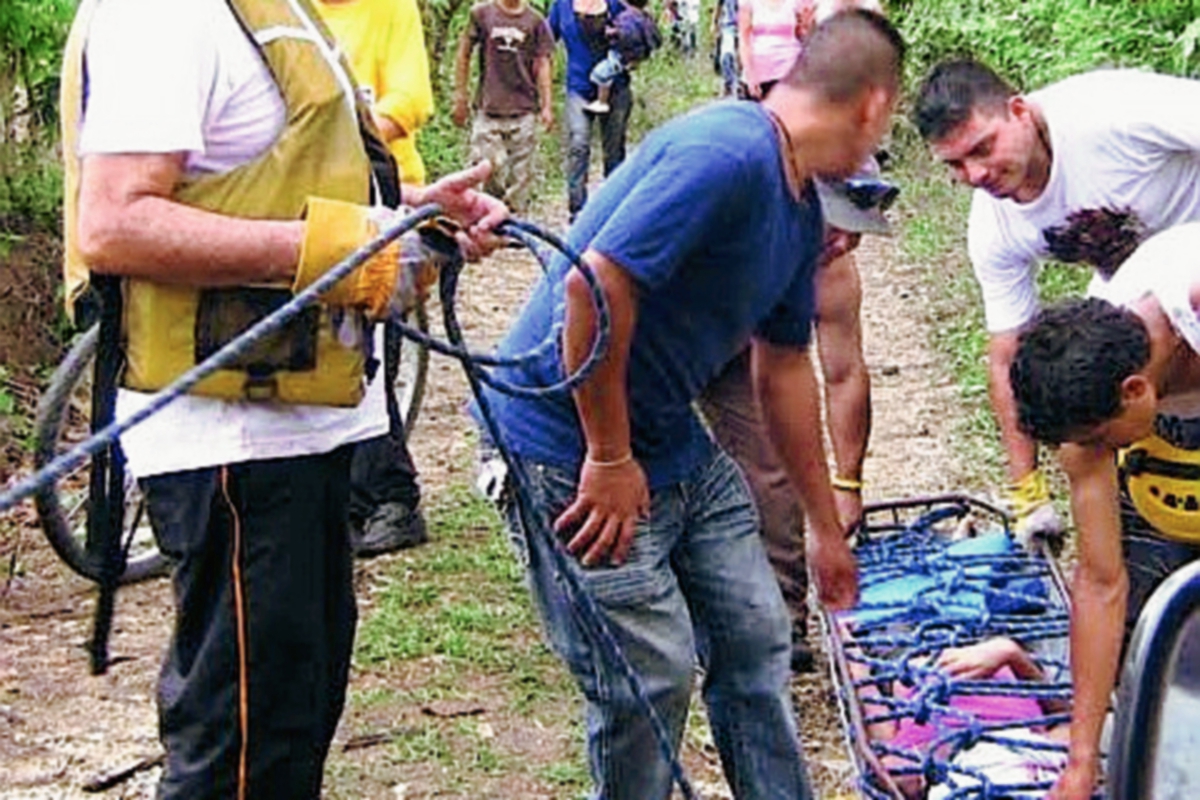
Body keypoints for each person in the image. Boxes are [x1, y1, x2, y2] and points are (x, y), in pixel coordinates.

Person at [61, 0, 506, 796]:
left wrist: (415, 213)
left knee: (288, 731)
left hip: (307, 430)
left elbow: (275, 177)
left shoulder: (274, 11)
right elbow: (114, 222)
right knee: (240, 755)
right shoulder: (165, 15)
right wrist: (343, 253)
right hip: (234, 450)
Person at [479, 11, 904, 798]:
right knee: (651, 675)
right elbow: (594, 286)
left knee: (756, 633)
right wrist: (609, 456)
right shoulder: (728, 150)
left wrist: (823, 526)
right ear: (873, 105)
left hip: (667, 435)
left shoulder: (799, 208)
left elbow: (783, 373)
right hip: (563, 438)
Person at [913, 59, 1200, 548]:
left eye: (983, 148)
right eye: (955, 165)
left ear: (1019, 111)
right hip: (1138, 328)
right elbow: (1008, 354)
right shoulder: (994, 227)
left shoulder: (1111, 112)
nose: (975, 173)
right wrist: (1029, 493)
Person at [1010, 222, 1200, 800]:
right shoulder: (1091, 372)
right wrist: (1081, 759)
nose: (1092, 451)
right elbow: (1100, 581)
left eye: (1098, 440)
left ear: (1135, 391)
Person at [699, 158, 897, 673]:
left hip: (750, 345)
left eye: (856, 232)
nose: (844, 243)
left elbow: (843, 373)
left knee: (774, 463)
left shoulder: (831, 265)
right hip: (673, 323)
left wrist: (845, 486)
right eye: (838, 227)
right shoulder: (724, 214)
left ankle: (782, 620)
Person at [314, 0, 438, 556]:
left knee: (366, 360)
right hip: (309, 192)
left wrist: (342, 136)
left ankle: (392, 497)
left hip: (382, 191)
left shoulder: (390, 9)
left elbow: (410, 99)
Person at [452, 0, 555, 214]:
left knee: (521, 176)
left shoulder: (535, 21)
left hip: (524, 108)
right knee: (486, 167)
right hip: (489, 107)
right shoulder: (482, 14)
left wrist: (547, 105)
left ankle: (514, 219)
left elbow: (543, 63)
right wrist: (460, 95)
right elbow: (464, 52)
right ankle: (488, 213)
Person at [548, 0, 635, 220]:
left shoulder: (616, 5)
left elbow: (636, 31)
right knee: (578, 144)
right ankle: (578, 210)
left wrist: (631, 58)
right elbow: (545, 43)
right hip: (579, 87)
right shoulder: (561, 7)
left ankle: (614, 208)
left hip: (616, 89)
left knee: (614, 150)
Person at [582, 0, 661, 115]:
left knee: (600, 75)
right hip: (634, 55)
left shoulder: (628, 17)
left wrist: (611, 32)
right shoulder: (645, 17)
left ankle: (602, 101)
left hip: (621, 54)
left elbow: (625, 33)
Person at [738, 0, 815, 99]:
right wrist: (750, 75)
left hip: (788, 68)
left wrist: (807, 22)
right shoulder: (749, 3)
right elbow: (744, 39)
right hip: (759, 71)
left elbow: (803, 34)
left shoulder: (795, 3)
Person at [711, 0, 740, 96]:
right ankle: (728, 83)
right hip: (728, 26)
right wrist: (715, 23)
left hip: (744, 26)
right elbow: (719, 5)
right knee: (726, 56)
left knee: (741, 58)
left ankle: (739, 83)